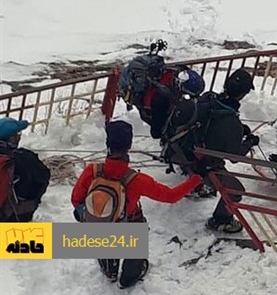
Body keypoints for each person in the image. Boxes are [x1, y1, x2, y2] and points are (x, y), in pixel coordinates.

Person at [71, 121, 203, 289]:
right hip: (129, 224)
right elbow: (171, 196)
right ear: (130, 146)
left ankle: (109, 268)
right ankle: (129, 276)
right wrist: (196, 179)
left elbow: (76, 199)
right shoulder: (137, 180)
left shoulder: (92, 171)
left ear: (107, 144)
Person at [198, 69, 259, 233]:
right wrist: (249, 142)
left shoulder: (208, 99)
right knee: (236, 190)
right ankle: (220, 220)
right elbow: (234, 156)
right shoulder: (231, 122)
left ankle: (196, 185)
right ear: (242, 94)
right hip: (205, 165)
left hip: (185, 155)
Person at [0, 117, 51, 222]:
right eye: (18, 134)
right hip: (13, 216)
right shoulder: (25, 158)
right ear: (12, 139)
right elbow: (43, 178)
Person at [138, 68, 205, 139]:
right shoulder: (162, 99)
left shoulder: (177, 75)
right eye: (186, 94)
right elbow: (156, 133)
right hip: (152, 110)